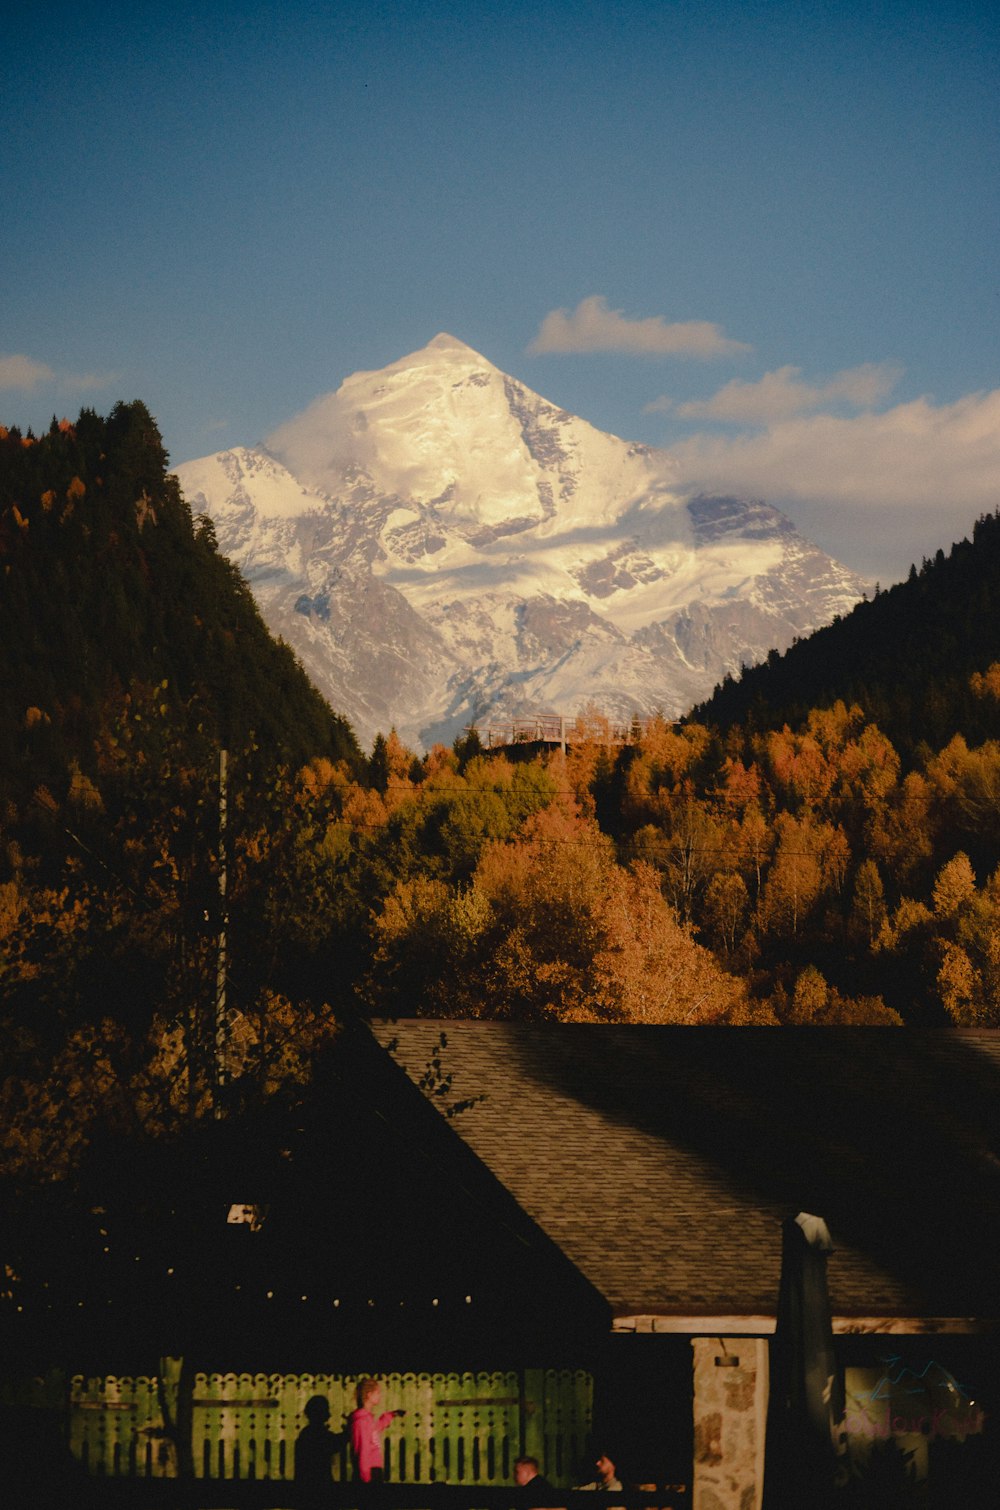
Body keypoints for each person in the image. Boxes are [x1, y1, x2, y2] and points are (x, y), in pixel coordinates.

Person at [347, 1377, 405, 1483]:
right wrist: (365, 1477)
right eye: (377, 1392)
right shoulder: (361, 1421)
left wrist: (392, 1415)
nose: (380, 1395)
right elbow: (362, 1451)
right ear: (369, 1395)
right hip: (368, 1473)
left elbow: (377, 1427)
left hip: (374, 1469)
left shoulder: (367, 1418)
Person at [295, 1394, 344, 1505]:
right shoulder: (317, 1433)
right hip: (319, 1487)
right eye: (326, 1410)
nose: (329, 1414)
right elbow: (333, 1443)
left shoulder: (306, 1433)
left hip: (306, 1489)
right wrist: (348, 1433)